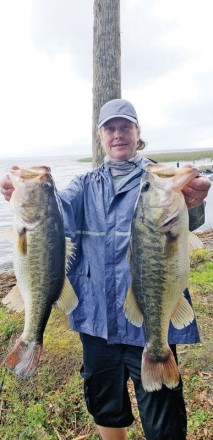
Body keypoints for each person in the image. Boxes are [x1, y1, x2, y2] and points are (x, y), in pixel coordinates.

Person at [0, 99, 211, 440]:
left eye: (125, 127)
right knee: (106, 407)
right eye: (110, 128)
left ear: (138, 133)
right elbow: (54, 213)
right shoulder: (84, 185)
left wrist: (195, 203)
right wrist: (25, 193)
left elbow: (190, 221)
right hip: (96, 320)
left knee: (163, 419)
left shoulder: (162, 179)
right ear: (100, 136)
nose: (118, 135)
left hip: (148, 318)